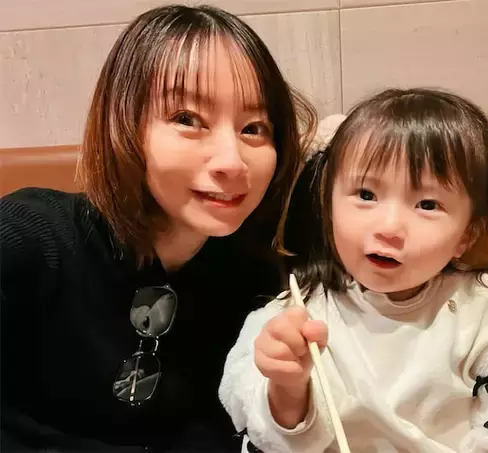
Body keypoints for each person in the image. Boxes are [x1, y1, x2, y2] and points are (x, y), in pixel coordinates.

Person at [0, 4, 316, 452]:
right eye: (187, 119)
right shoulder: (27, 237)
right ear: (123, 124)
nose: (232, 162)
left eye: (253, 128)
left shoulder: (253, 281)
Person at [218, 88, 488, 453]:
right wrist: (286, 390)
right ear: (328, 207)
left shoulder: (485, 315)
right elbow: (257, 421)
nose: (389, 227)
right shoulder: (295, 315)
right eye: (366, 195)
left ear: (467, 234)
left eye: (427, 204)